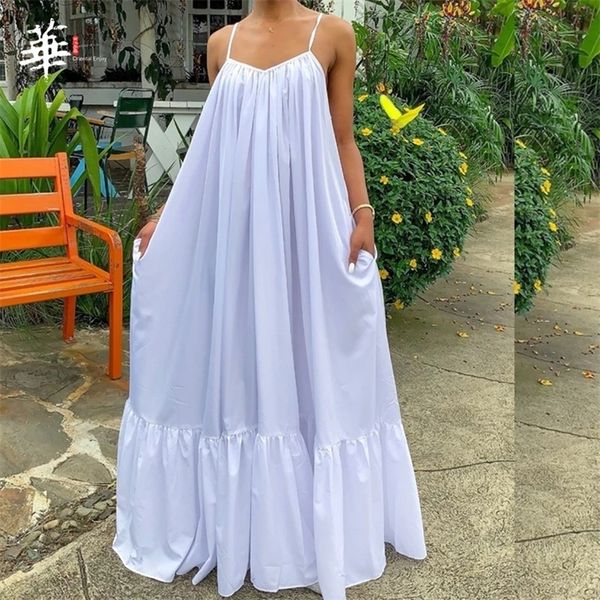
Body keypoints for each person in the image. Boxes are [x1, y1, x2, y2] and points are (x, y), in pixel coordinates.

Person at [112, 2, 427, 599]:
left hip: (306, 232)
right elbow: (213, 150)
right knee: (241, 363)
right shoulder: (221, 45)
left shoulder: (333, 34)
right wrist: (169, 217)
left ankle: (302, 526)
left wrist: (363, 214)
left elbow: (342, 138)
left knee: (309, 359)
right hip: (237, 237)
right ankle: (239, 522)